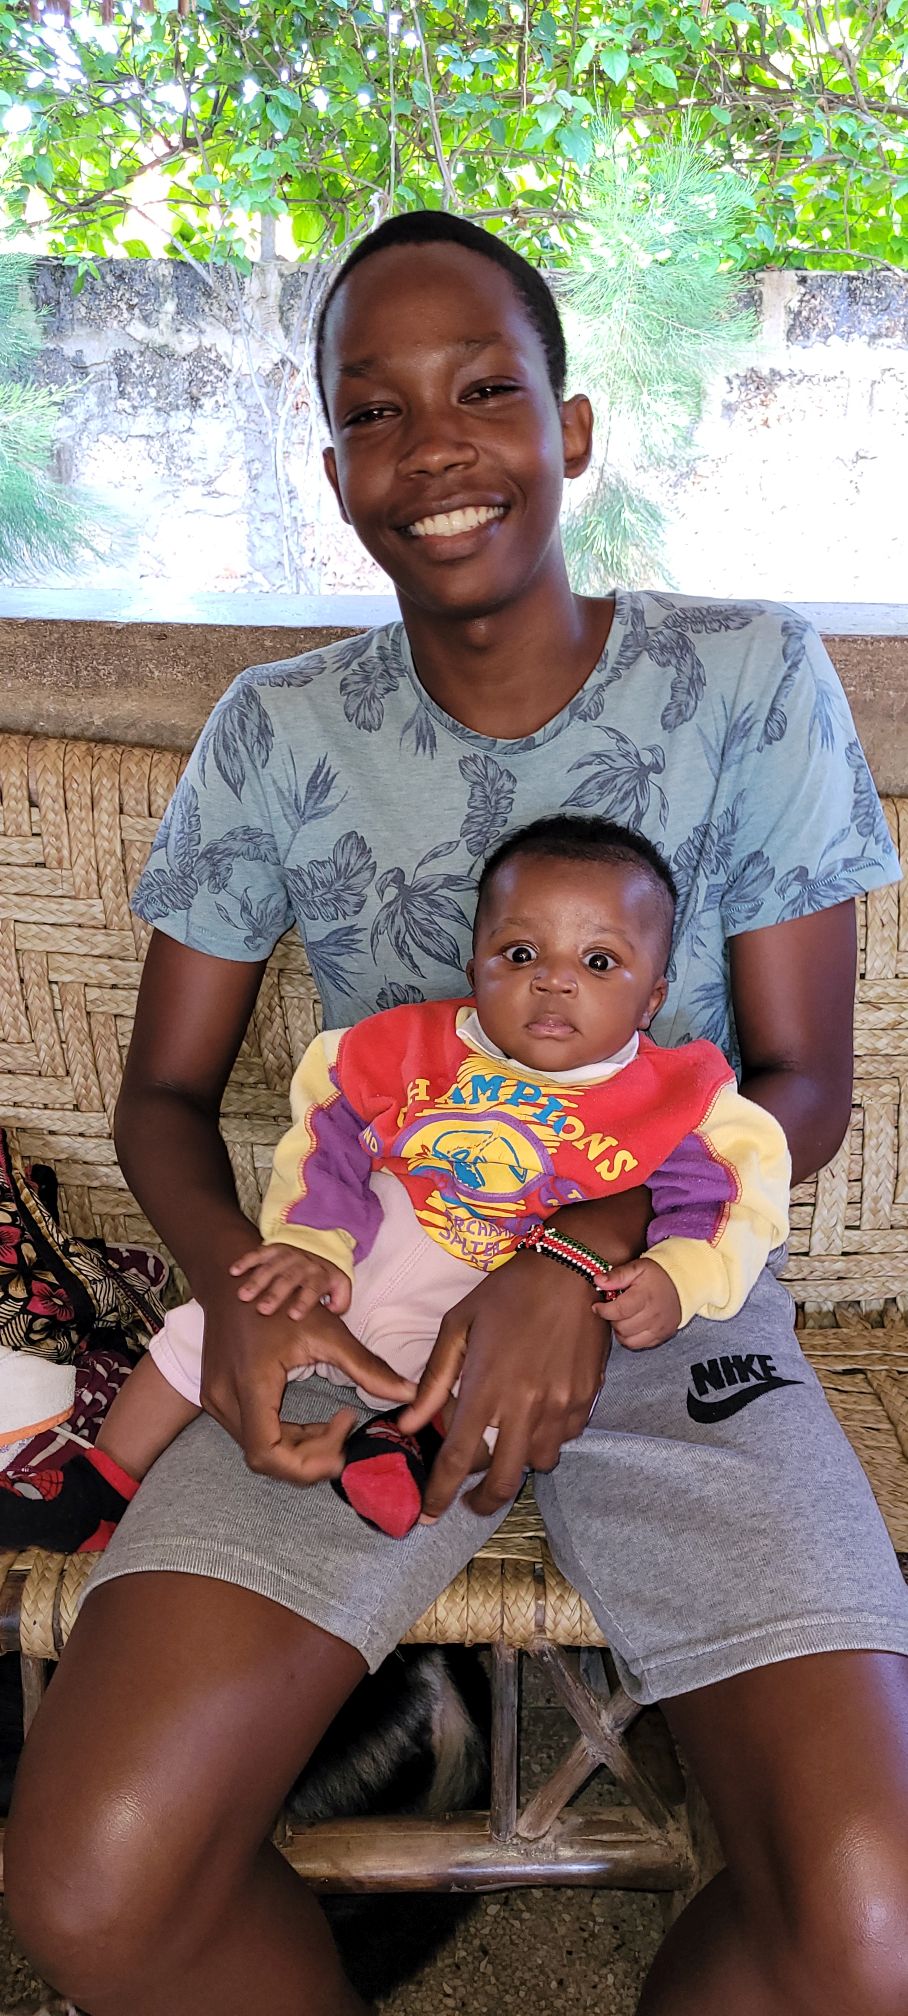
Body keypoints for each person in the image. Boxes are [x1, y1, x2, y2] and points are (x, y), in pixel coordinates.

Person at [6, 209, 908, 2016]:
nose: (432, 448)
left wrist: (577, 1261)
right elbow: (165, 1097)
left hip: (666, 1304)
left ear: (570, 429)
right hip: (371, 1310)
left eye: (484, 390)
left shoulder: (747, 680)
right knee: (93, 1880)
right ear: (333, 462)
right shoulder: (276, 731)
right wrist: (250, 1293)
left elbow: (800, 1085)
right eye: (374, 410)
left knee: (873, 1924)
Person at [0, 815, 790, 1547]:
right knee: (206, 1325)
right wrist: (311, 1240)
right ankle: (102, 1487)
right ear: (475, 967)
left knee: (488, 1398)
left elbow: (730, 1195)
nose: (554, 980)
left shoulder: (673, 1096)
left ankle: (401, 1451)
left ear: (652, 997)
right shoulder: (407, 1047)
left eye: (599, 962)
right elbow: (329, 1129)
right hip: (358, 1252)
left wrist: (680, 1274)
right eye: (521, 954)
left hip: (477, 1300)